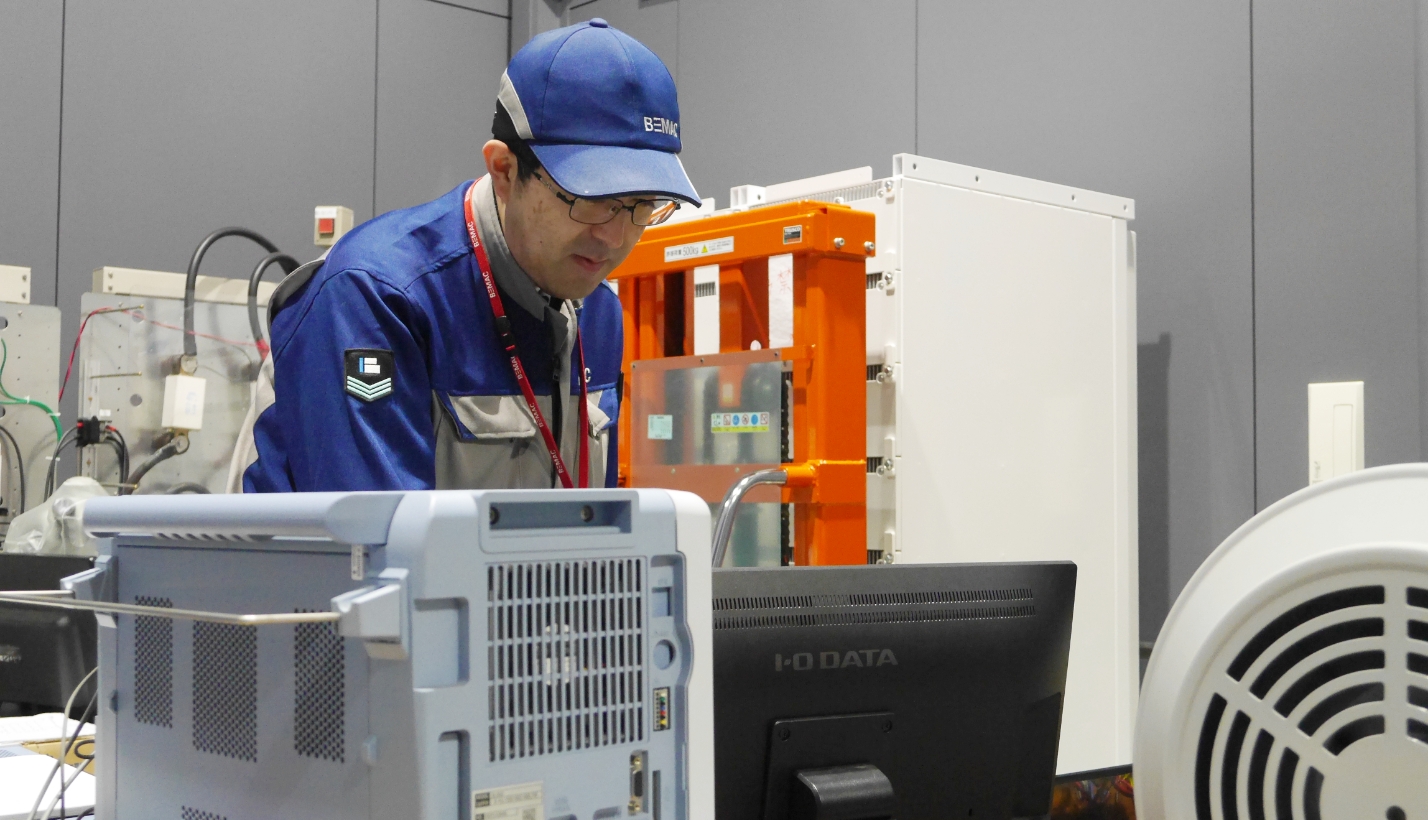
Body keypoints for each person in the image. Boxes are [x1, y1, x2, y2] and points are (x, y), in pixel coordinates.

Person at [239, 19, 699, 492]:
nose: (615, 237)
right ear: (504, 170)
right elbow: (373, 534)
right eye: (591, 201)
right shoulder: (376, 298)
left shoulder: (599, 311)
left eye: (644, 204)